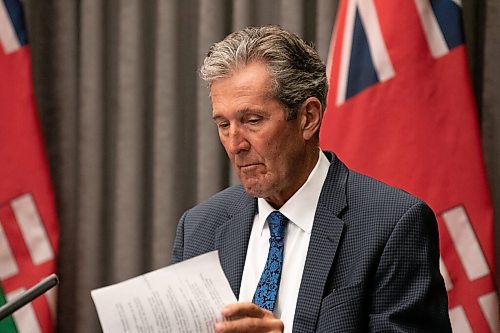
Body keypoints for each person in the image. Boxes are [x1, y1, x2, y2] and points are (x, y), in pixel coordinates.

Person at [172, 25, 451, 333]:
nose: (235, 144)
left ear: (308, 117)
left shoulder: (392, 224)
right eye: (224, 124)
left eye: (252, 120)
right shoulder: (198, 229)